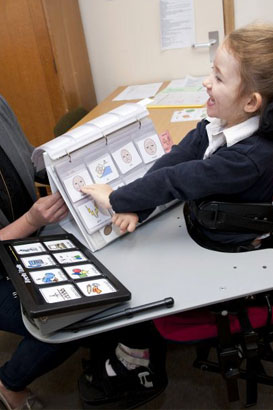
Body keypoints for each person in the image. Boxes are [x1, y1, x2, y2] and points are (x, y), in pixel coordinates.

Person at [80, 23, 273, 408]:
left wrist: (116, 197)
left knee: (137, 274)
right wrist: (137, 203)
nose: (206, 82)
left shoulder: (250, 158)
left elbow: (182, 179)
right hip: (205, 224)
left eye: (218, 77)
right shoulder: (223, 122)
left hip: (226, 255)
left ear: (251, 102)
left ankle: (137, 357)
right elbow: (177, 161)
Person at [0, 95, 78, 410]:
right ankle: (8, 383)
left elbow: (24, 155)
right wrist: (31, 220)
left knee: (96, 291)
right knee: (68, 319)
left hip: (27, 237)